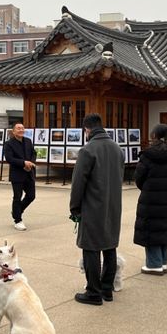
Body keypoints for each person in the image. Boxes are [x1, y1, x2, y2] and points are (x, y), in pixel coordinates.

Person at [70, 114, 124, 305]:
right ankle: (107, 289)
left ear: (87, 129)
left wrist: (74, 208)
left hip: (93, 206)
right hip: (113, 205)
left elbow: (78, 183)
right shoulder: (117, 149)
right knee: (110, 246)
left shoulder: (87, 150)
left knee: (91, 248)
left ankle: (93, 291)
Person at [134, 124, 167, 274]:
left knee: (151, 228)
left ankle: (154, 264)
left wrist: (147, 187)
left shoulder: (147, 155)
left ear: (153, 135)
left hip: (150, 198)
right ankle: (163, 262)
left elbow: (139, 178)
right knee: (163, 227)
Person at [3, 122, 36, 231]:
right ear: (13, 131)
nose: (21, 130)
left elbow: (33, 153)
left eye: (22, 128)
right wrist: (23, 163)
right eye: (18, 128)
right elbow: (9, 158)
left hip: (29, 172)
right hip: (17, 174)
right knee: (17, 197)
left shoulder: (28, 141)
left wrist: (30, 163)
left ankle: (17, 211)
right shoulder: (9, 144)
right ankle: (18, 220)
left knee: (31, 196)